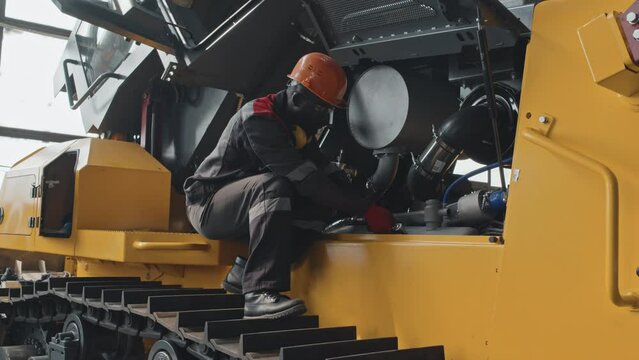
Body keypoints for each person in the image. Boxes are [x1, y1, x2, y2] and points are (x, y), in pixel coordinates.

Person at [183, 52, 395, 319]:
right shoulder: (258, 119)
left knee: (318, 206)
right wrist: (361, 208)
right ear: (297, 99)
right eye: (322, 109)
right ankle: (259, 293)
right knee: (273, 187)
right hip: (209, 205)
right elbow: (307, 182)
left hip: (240, 207)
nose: (325, 119)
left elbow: (324, 171)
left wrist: (365, 198)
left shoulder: (295, 126)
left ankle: (244, 272)